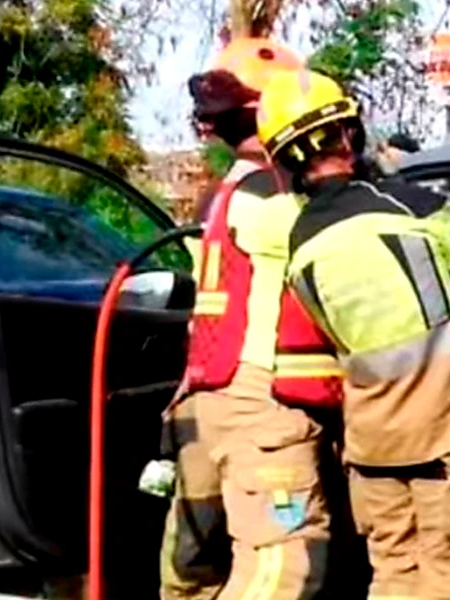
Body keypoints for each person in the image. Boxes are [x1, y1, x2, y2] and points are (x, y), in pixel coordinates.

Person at [255, 69, 450, 600]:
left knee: (392, 575)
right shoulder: (407, 206)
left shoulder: (299, 245)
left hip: (372, 445)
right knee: (445, 572)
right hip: (446, 434)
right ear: (348, 134)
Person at [160, 38, 345, 600]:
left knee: (192, 565)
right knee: (281, 569)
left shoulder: (219, 195)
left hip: (205, 401)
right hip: (263, 408)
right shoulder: (279, 198)